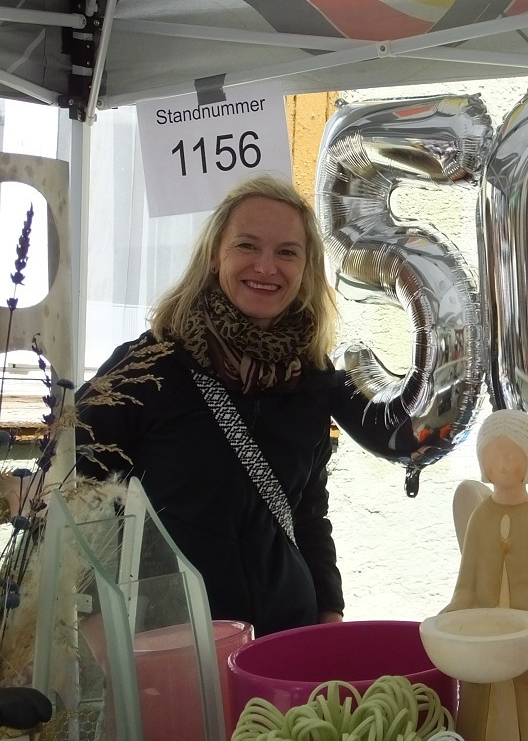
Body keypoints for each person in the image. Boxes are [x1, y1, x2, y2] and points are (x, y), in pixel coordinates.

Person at [76, 175, 395, 637]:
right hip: (172, 639)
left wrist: (328, 609)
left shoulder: (309, 378)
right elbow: (76, 491)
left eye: (287, 252)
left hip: (284, 632)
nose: (267, 267)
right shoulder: (147, 367)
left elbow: (306, 509)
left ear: (306, 268)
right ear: (214, 254)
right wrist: (92, 619)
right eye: (247, 246)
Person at [440, 409, 528, 741]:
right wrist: (450, 618)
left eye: (511, 455)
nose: (502, 464)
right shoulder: (480, 519)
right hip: (485, 645)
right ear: (483, 463)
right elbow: (466, 589)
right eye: (494, 456)